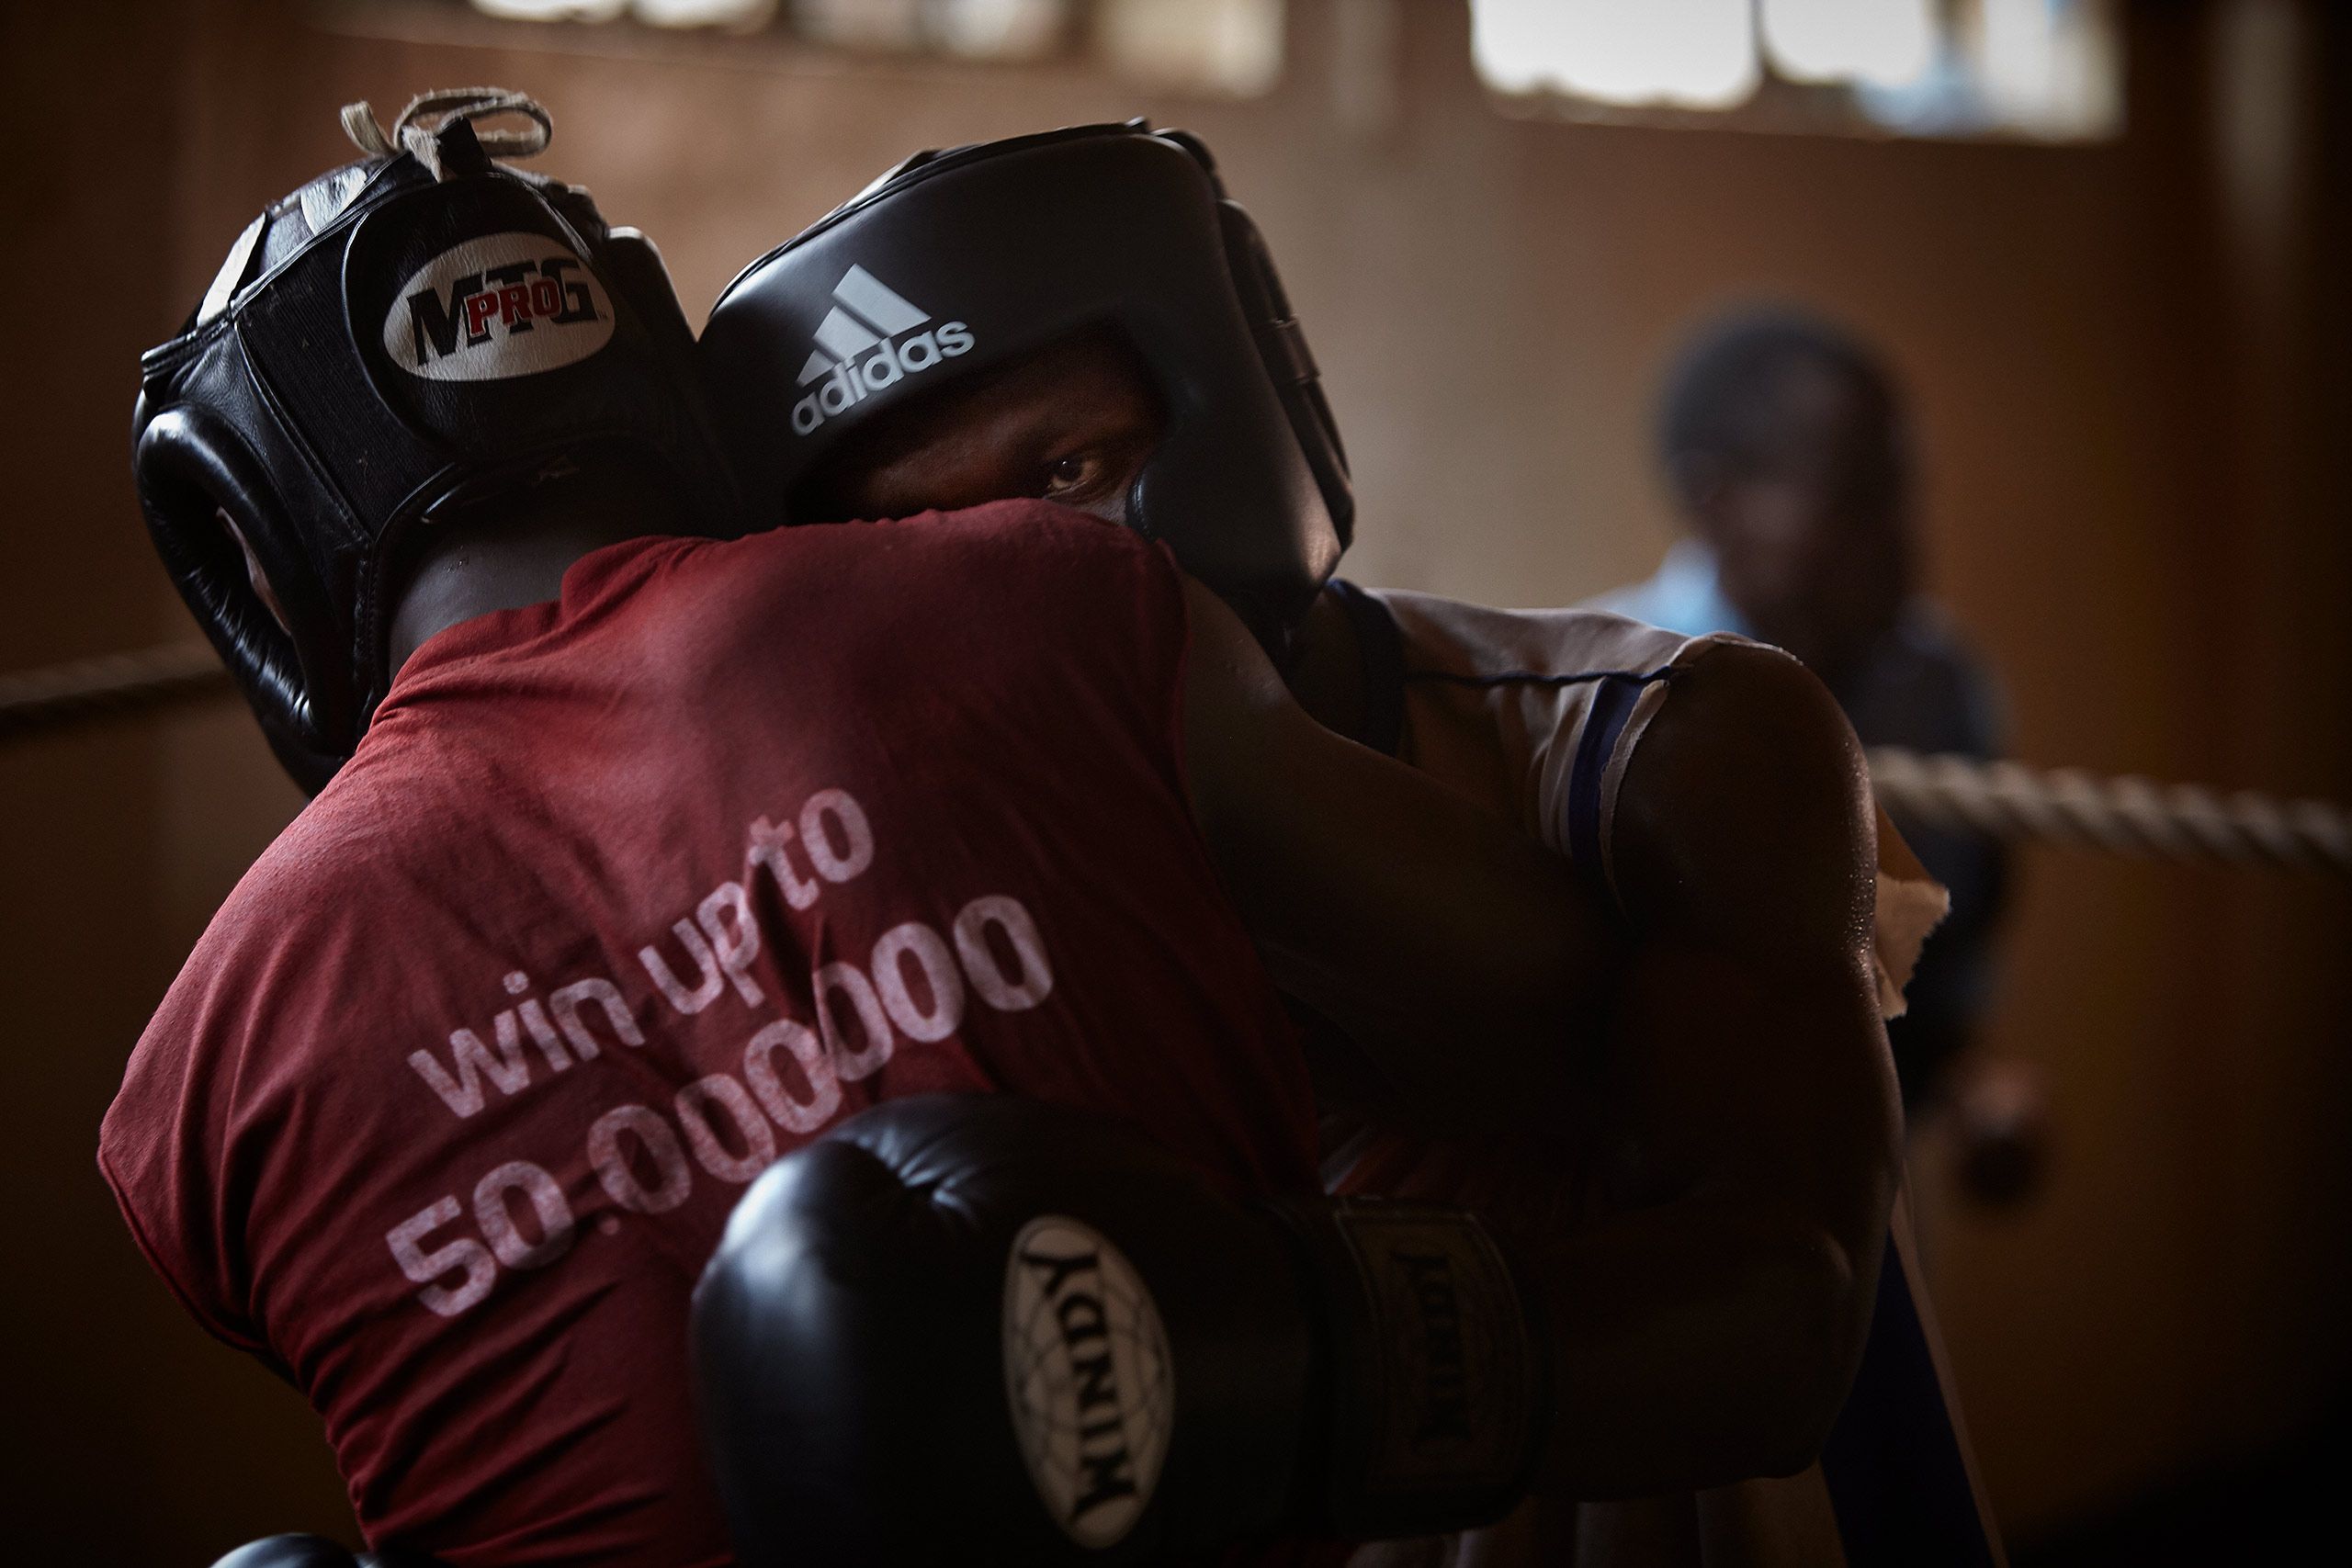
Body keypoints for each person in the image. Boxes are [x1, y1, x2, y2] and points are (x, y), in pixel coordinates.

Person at [100, 96, 1829, 1566]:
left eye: (1066, 462)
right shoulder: (1036, 611)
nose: (1000, 513)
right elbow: (1572, 1032)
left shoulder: (203, 1082)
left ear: (255, 531)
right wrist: (1269, 1341)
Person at [698, 121, 1994, 1565]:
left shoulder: (1674, 751)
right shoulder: (877, 915)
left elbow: (1788, 1312)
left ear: (1240, 415)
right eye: (915, 548)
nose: (1010, 594)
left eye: (1065, 471)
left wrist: (1271, 1352)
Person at [1592, 308, 2010, 1115]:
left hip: (1859, 1195)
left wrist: (1968, 1081)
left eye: (1900, 496)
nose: (1899, 540)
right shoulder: (1602, 689)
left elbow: (1943, 976)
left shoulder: (1941, 692)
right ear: (1711, 499)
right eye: (1855, 499)